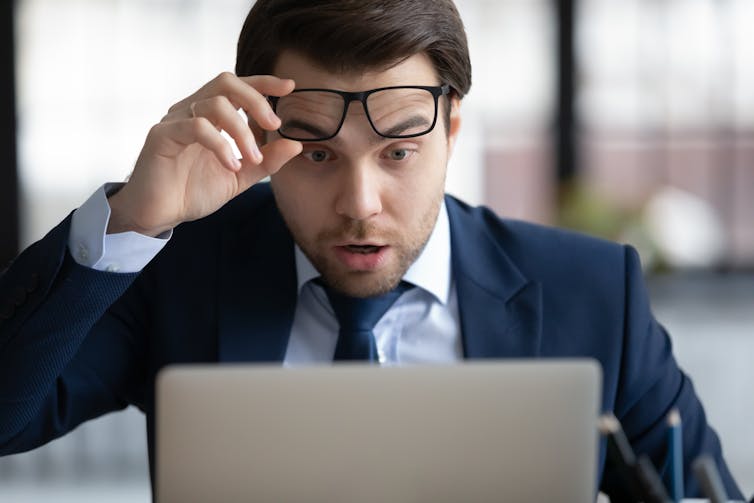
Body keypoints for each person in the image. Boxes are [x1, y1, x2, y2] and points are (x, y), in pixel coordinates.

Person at [0, 0, 743, 499]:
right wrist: (134, 216)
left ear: (451, 133)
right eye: (318, 154)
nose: (360, 203)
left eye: (396, 152)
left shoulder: (594, 293)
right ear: (261, 139)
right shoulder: (179, 269)